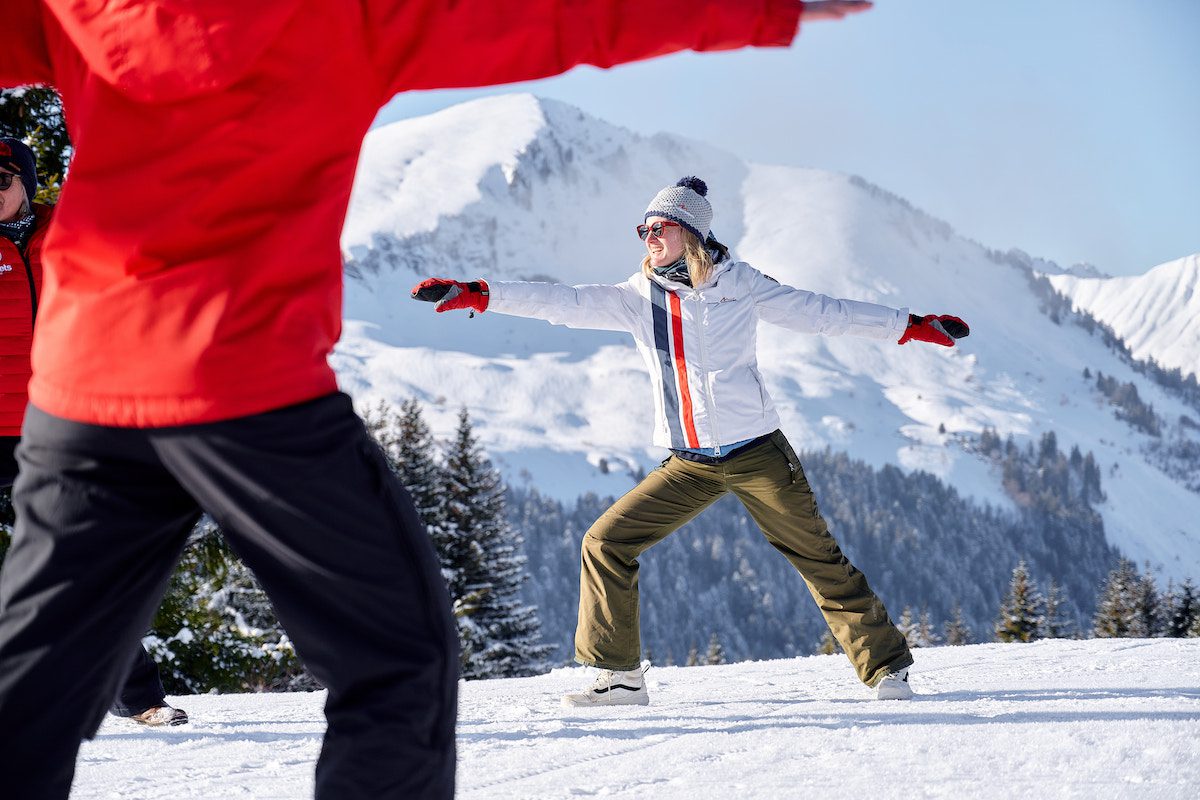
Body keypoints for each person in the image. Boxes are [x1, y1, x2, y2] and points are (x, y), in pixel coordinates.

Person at [0, 1, 873, 798]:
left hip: (81, 388)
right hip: (243, 384)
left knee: (30, 679)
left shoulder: (79, 11)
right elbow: (560, 20)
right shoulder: (339, 20)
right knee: (395, 663)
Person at [413, 175, 969, 706]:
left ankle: (886, 666)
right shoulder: (638, 297)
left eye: (660, 228)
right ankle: (620, 679)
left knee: (815, 556)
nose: (649, 238)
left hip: (758, 454)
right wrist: (479, 293)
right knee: (606, 542)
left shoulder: (742, 285)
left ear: (691, 234)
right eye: (644, 231)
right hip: (690, 463)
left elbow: (824, 313)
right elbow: (565, 303)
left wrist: (909, 324)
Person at [0, 137, 187, 728]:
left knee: (86, 565)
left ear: (26, 181)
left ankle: (141, 699)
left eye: (1, 178)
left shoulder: (71, 234)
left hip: (60, 426)